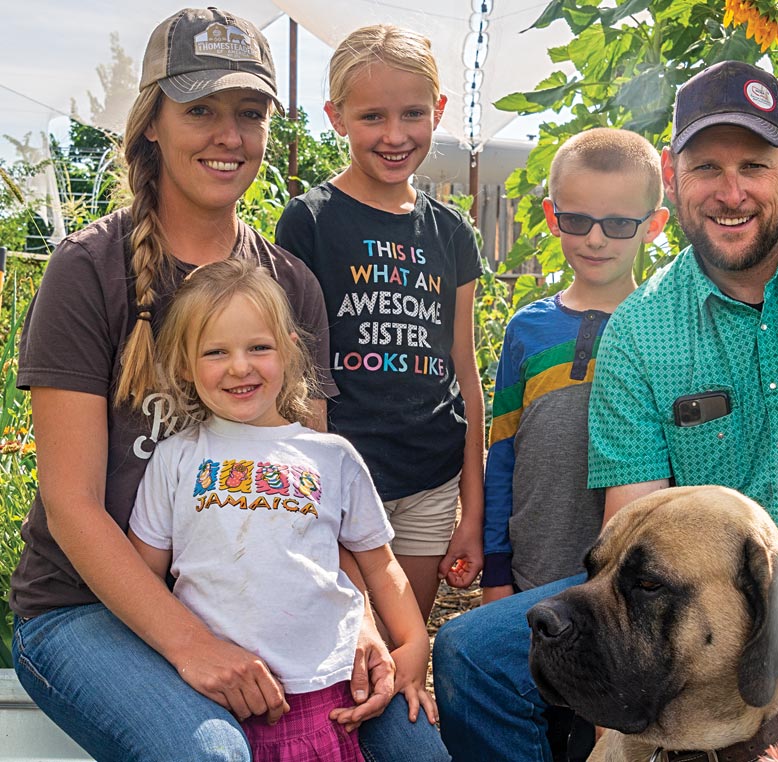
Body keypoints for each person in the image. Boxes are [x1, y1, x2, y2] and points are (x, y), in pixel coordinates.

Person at [433, 60, 778, 762]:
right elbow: (631, 526)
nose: (731, 192)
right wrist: (616, 698)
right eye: (705, 168)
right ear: (672, 174)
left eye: (753, 164)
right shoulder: (639, 330)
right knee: (472, 656)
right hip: (690, 591)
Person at [9, 8, 448, 761]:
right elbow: (74, 506)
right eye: (201, 110)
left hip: (265, 608)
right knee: (209, 753)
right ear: (153, 122)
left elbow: (310, 489)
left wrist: (359, 623)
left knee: (416, 750)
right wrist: (193, 645)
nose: (229, 135)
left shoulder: (291, 287)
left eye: (249, 114)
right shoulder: (88, 271)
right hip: (86, 610)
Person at [127, 258, 433, 762]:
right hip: (219, 699)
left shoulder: (331, 456)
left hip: (331, 697)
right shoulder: (176, 458)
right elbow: (144, 576)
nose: (240, 367)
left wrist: (414, 647)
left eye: (259, 348)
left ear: (289, 351)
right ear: (184, 364)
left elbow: (380, 564)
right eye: (216, 352)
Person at [275, 24, 486, 624]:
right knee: (339, 638)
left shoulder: (450, 232)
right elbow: (297, 376)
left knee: (400, 646)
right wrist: (316, 495)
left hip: (429, 480)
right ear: (336, 117)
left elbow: (464, 375)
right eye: (372, 117)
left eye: (413, 114)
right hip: (340, 483)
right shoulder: (309, 222)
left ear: (438, 110)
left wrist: (469, 515)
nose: (395, 136)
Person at [481, 127, 668, 602]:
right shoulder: (527, 329)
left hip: (623, 591)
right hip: (529, 572)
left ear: (654, 224)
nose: (597, 239)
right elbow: (502, 453)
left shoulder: (664, 329)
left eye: (620, 224)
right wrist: (495, 568)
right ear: (552, 217)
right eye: (578, 221)